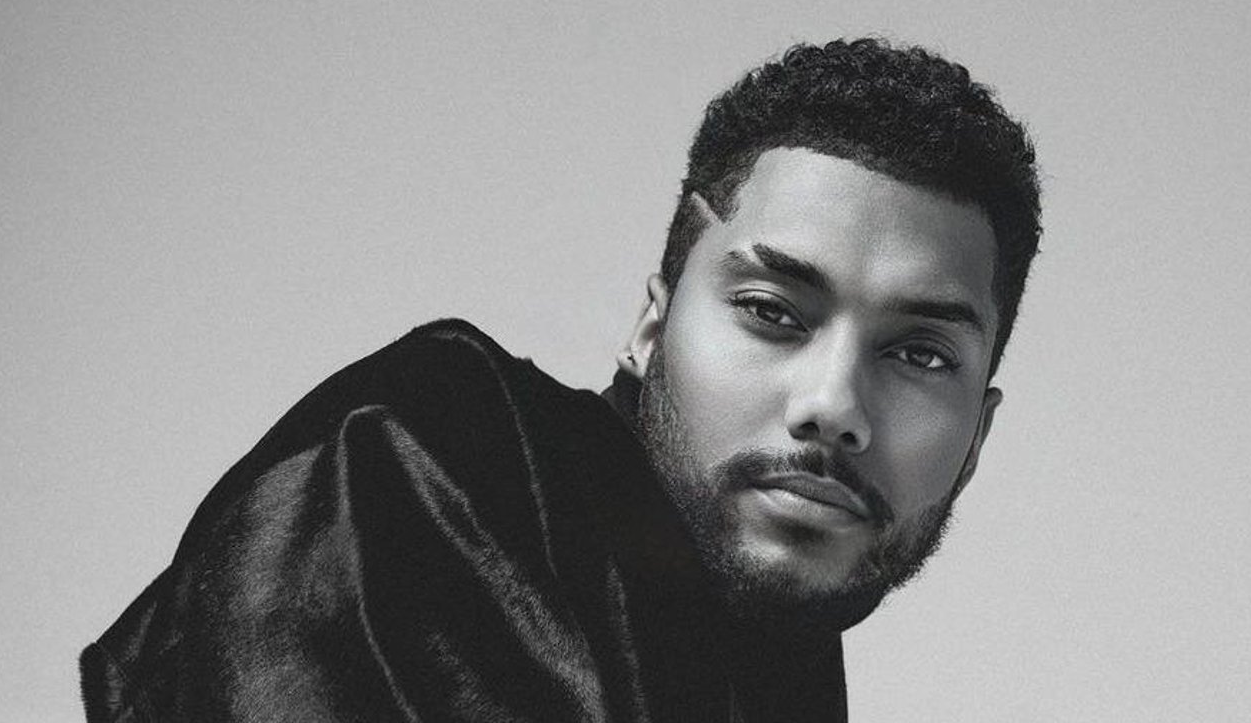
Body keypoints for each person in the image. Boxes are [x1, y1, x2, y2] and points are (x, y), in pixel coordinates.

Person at [80, 38, 1042, 722]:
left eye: (921, 356)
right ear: (650, 329)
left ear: (977, 440)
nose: (833, 406)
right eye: (771, 312)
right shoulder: (420, 459)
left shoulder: (771, 657)